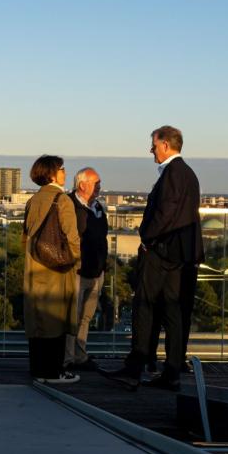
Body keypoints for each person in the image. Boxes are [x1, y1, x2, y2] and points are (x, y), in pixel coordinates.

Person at [100, 125, 202, 391]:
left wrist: (146, 238)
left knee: (144, 306)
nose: (151, 150)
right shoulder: (188, 174)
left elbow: (165, 213)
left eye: (154, 145)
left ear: (166, 145)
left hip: (162, 253)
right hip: (180, 255)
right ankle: (171, 371)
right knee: (173, 312)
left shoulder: (172, 173)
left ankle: (136, 366)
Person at [22, 155, 81, 384]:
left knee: (37, 322)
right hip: (57, 269)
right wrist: (76, 261)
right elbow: (72, 237)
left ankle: (38, 370)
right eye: (61, 169)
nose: (65, 172)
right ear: (51, 173)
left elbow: (26, 236)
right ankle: (54, 372)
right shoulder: (62, 200)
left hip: (34, 268)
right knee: (56, 320)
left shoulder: (33, 200)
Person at [64, 167, 107, 373]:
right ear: (82, 185)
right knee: (72, 316)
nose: (99, 187)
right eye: (95, 183)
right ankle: (67, 358)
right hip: (77, 272)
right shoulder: (69, 205)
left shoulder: (98, 207)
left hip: (96, 272)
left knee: (86, 317)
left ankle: (80, 355)